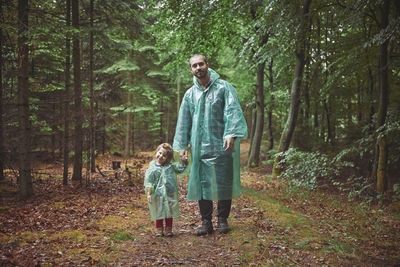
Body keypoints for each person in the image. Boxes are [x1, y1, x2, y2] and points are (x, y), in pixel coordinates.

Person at [173, 54, 248, 235]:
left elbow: (232, 111)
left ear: (207, 65)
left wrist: (231, 133)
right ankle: (206, 221)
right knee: (202, 182)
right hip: (199, 146)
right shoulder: (190, 94)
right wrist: (182, 146)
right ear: (191, 69)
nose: (198, 68)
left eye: (200, 64)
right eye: (194, 65)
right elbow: (184, 121)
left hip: (222, 145)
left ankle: (222, 219)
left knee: (224, 181)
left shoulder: (224, 88)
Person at [144, 143, 188, 237]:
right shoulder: (152, 167)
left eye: (164, 156)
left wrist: (183, 162)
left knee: (169, 211)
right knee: (158, 210)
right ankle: (159, 229)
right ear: (156, 152)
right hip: (157, 193)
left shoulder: (170, 166)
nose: (161, 156)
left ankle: (168, 229)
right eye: (160, 153)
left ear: (168, 158)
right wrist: (149, 193)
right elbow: (149, 181)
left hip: (169, 192)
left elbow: (180, 169)